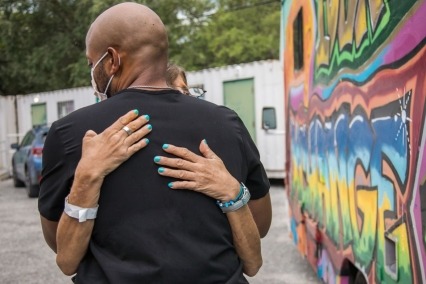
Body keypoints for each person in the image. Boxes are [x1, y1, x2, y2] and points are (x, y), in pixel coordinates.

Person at [38, 3, 270, 283]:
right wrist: (234, 194)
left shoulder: (70, 132)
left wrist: (86, 181)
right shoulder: (227, 124)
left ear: (112, 60)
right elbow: (261, 224)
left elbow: (59, 245)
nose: (92, 72)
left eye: (92, 63)